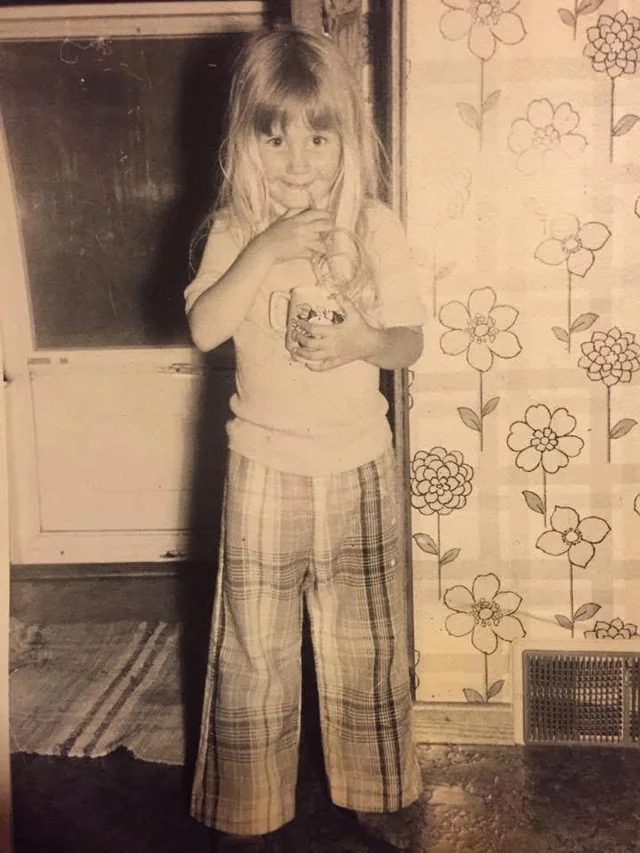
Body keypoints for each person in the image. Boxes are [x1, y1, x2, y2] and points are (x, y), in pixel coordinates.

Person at [184, 26, 426, 853]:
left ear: (346, 140)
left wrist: (365, 342)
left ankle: (379, 793)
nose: (297, 158)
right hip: (264, 465)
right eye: (273, 133)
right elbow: (205, 327)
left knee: (367, 643)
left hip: (359, 461)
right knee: (255, 650)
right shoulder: (231, 231)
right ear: (244, 139)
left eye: (318, 136)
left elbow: (408, 343)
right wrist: (260, 250)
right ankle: (248, 810)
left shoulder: (376, 226)